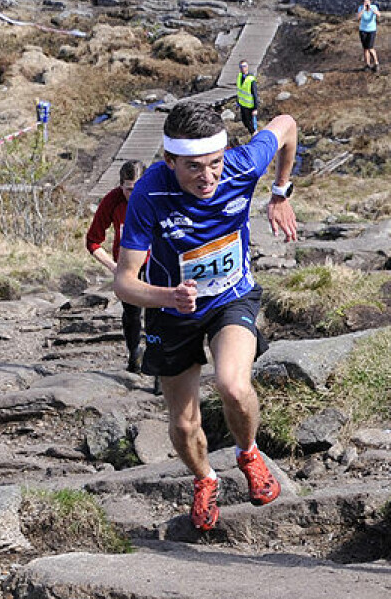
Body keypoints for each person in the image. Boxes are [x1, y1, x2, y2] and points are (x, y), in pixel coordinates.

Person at [114, 101, 298, 531]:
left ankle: (248, 453)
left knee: (234, 385)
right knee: (182, 422)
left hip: (230, 297)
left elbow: (286, 124)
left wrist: (280, 191)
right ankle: (204, 479)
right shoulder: (149, 194)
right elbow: (124, 282)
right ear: (169, 161)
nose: (209, 177)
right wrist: (167, 296)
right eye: (194, 167)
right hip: (171, 310)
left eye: (215, 163)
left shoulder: (241, 165)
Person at [86, 160, 147, 373]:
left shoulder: (154, 196)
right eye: (129, 189)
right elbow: (93, 241)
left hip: (154, 262)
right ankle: (134, 354)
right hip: (126, 265)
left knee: (160, 313)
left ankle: (159, 369)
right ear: (121, 185)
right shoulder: (112, 201)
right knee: (132, 315)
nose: (134, 194)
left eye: (138, 188)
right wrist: (114, 267)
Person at [357, 0, 380, 72]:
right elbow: (358, 17)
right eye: (365, 1)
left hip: (371, 30)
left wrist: (372, 10)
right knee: (365, 48)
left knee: (370, 47)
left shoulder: (373, 7)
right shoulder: (361, 8)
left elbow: (379, 15)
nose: (366, 3)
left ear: (370, 2)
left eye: (367, 1)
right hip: (363, 30)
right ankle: (367, 64)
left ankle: (376, 63)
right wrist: (363, 10)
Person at [236, 59, 258, 135]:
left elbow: (255, 95)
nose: (243, 68)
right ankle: (251, 134)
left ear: (247, 67)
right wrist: (238, 102)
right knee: (245, 122)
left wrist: (255, 108)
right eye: (241, 67)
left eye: (244, 66)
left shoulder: (251, 79)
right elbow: (239, 91)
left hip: (250, 106)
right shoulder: (240, 76)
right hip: (242, 105)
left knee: (251, 124)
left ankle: (255, 136)